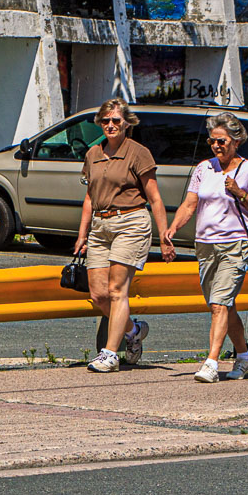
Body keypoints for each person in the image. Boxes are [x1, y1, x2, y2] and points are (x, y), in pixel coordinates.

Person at [162, 112, 248, 383]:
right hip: (205, 244)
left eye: (221, 141)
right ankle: (244, 357)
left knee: (219, 303)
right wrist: (173, 228)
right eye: (212, 141)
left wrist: (240, 192)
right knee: (222, 305)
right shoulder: (203, 168)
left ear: (236, 141)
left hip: (236, 243)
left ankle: (211, 363)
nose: (216, 146)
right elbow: (190, 204)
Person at [73, 98, 176, 373]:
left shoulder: (138, 153)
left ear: (127, 123)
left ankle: (110, 354)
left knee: (118, 290)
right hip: (99, 225)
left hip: (131, 222)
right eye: (105, 120)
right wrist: (82, 234)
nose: (110, 125)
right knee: (98, 294)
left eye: (116, 120)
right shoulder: (93, 153)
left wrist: (164, 236)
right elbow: (88, 197)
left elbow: (154, 197)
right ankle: (134, 332)